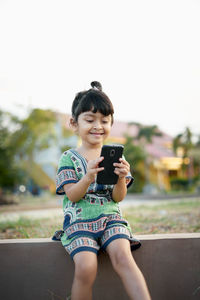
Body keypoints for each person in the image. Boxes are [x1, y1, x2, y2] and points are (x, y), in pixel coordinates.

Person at [55, 81, 151, 300]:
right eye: (90, 120)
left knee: (124, 258)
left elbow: (118, 198)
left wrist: (120, 179)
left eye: (105, 121)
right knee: (86, 267)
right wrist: (88, 177)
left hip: (111, 219)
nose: (98, 126)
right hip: (79, 223)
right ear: (74, 123)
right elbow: (72, 195)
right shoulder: (68, 158)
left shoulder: (116, 157)